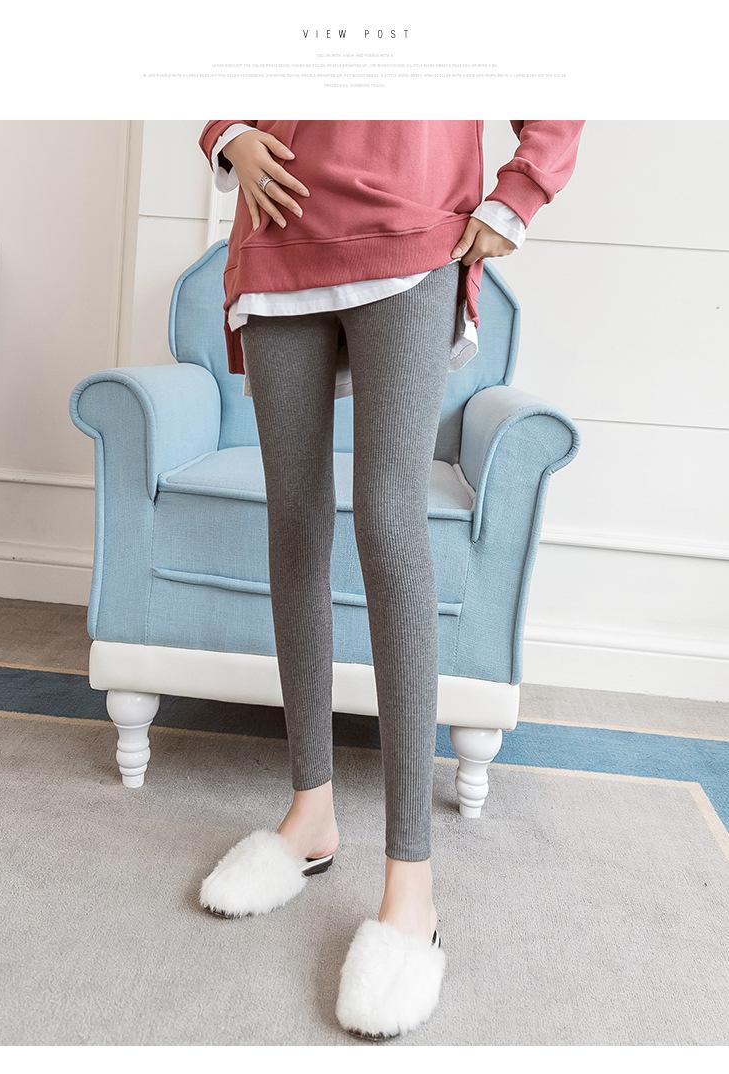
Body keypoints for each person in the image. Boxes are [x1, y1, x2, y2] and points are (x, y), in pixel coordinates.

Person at [195, 120, 584, 1040]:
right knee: (293, 519)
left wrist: (519, 193)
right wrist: (228, 130)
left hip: (414, 229)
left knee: (388, 522)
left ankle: (413, 886)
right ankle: (310, 815)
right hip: (278, 229)